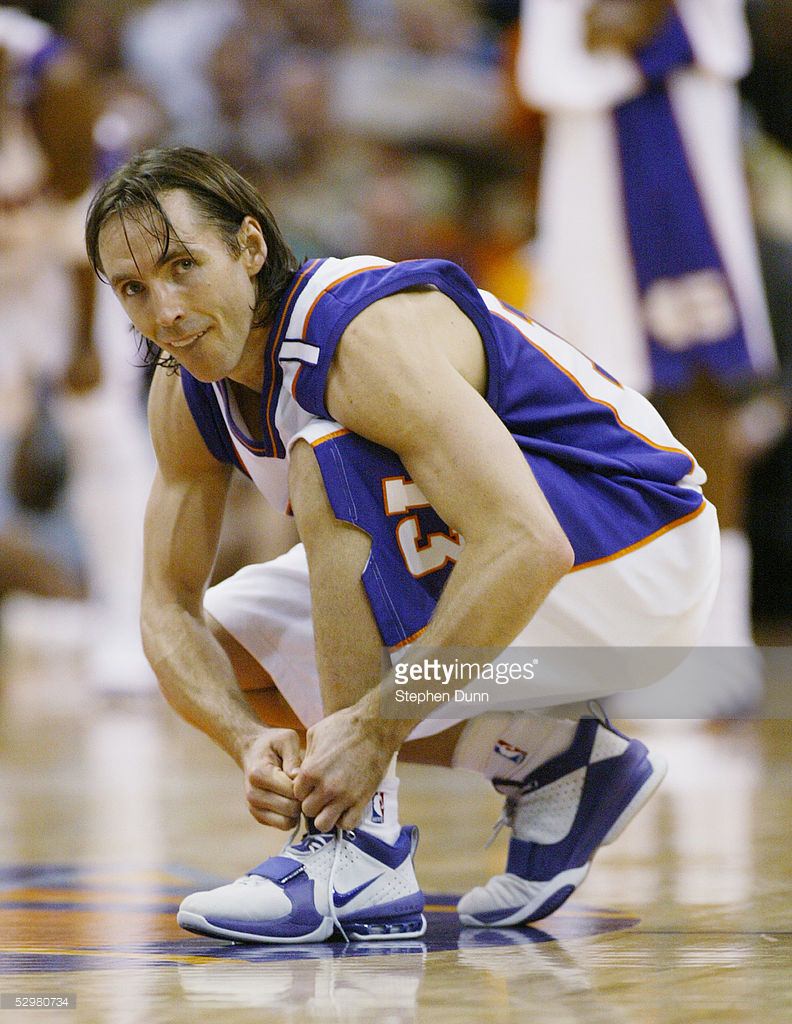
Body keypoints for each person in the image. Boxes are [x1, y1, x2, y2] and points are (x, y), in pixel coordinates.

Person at [85, 146, 720, 944]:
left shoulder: (353, 337)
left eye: (184, 267)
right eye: (135, 289)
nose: (166, 310)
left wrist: (381, 724)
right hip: (533, 575)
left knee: (332, 456)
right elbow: (166, 611)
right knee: (232, 644)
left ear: (250, 247)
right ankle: (555, 759)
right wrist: (246, 740)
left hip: (637, 546)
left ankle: (361, 848)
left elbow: (527, 543)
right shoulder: (183, 388)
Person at [516, 0, 778, 715]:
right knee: (588, 403)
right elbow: (548, 70)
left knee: (706, 395)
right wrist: (624, 34)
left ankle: (720, 649)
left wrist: (636, 27)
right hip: (593, 184)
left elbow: (723, 44)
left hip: (692, 165)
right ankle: (616, 652)